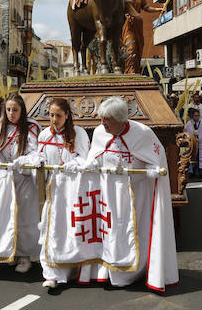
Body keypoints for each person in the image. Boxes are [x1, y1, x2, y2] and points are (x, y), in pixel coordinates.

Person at [75, 96, 178, 291]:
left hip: (135, 194)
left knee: (133, 231)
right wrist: (88, 164)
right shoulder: (99, 132)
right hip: (109, 193)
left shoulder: (143, 133)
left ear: (121, 119)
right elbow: (95, 157)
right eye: (101, 118)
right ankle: (110, 269)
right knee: (111, 231)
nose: (102, 123)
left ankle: (133, 272)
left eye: (107, 119)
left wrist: (152, 170)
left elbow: (156, 160)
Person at [33, 97, 90, 289]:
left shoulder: (78, 134)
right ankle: (51, 273)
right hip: (53, 190)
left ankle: (72, 268)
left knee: (70, 230)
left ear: (67, 116)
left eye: (58, 115)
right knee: (51, 230)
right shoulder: (43, 135)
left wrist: (73, 164)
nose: (54, 119)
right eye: (51, 115)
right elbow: (39, 156)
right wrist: (33, 160)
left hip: (72, 191)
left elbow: (84, 158)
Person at [0, 93, 40, 273]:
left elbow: (35, 153)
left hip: (24, 179)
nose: (11, 113)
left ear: (21, 111)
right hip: (6, 180)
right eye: (8, 110)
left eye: (15, 110)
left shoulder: (31, 128)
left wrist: (24, 161)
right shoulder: (0, 127)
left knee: (25, 218)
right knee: (7, 217)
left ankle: (25, 256)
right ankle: (11, 252)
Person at [184, 108, 202, 176]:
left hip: (200, 143)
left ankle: (200, 170)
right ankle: (191, 171)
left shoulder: (201, 123)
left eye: (198, 116)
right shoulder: (189, 123)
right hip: (193, 143)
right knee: (192, 156)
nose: (197, 117)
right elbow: (188, 133)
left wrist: (201, 137)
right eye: (195, 116)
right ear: (192, 116)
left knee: (200, 157)